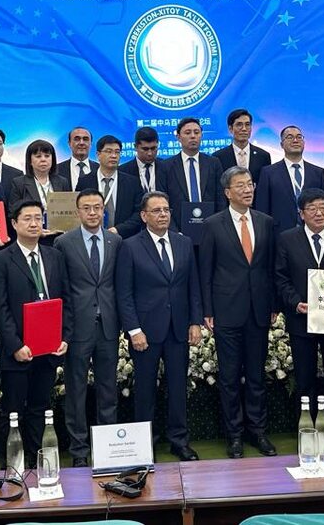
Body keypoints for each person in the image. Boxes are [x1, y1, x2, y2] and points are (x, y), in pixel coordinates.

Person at [116, 191, 203, 461]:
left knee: (178, 388)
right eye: (156, 210)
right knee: (145, 391)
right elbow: (124, 293)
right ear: (144, 216)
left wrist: (195, 321)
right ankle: (145, 444)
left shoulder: (183, 242)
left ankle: (179, 440)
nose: (163, 214)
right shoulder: (130, 246)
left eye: (166, 209)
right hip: (145, 331)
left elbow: (193, 285)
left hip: (178, 328)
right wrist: (134, 330)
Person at [199, 167, 278, 459]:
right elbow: (205, 270)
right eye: (240, 185)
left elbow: (271, 268)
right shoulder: (212, 224)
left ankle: (258, 431)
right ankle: (234, 435)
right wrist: (208, 309)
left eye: (250, 184)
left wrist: (273, 305)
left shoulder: (266, 222)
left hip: (259, 310)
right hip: (226, 310)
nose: (247, 189)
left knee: (257, 375)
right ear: (227, 192)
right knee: (230, 377)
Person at [0, 200, 70, 469]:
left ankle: (37, 464)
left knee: (40, 409)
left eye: (38, 218)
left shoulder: (54, 256)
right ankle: (11, 467)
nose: (34, 223)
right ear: (14, 224)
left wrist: (64, 338)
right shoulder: (0, 260)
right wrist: (15, 345)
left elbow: (66, 300)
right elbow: (0, 308)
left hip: (48, 348)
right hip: (18, 351)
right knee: (13, 412)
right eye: (27, 218)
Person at [53, 190, 122, 467]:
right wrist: (63, 329)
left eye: (97, 207)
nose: (93, 213)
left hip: (108, 326)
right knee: (76, 391)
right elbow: (61, 287)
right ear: (77, 212)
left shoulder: (116, 241)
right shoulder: (63, 242)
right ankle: (79, 451)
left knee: (108, 390)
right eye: (87, 208)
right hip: (77, 327)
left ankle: (108, 450)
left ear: (104, 210)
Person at [276, 189, 324, 433]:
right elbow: (280, 277)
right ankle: (306, 427)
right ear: (301, 214)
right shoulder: (287, 239)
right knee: (304, 376)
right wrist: (295, 302)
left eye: (323, 207)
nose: (319, 213)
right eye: (312, 208)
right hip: (302, 319)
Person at [256, 126, 324, 234]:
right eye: (290, 137)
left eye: (299, 137)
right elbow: (262, 208)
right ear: (281, 144)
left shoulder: (318, 172)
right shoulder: (268, 173)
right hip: (279, 233)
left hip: (313, 232)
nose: (295, 140)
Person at [164, 118, 226, 231]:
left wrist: (218, 228)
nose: (193, 136)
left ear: (201, 135)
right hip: (179, 230)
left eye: (196, 132)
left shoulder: (213, 163)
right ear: (178, 137)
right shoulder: (167, 166)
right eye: (188, 133)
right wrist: (174, 232)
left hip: (211, 227)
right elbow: (164, 201)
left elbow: (221, 198)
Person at [76, 135, 144, 237]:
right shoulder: (85, 181)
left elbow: (139, 213)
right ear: (98, 154)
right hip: (91, 237)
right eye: (109, 151)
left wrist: (118, 230)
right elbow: (78, 210)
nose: (113, 156)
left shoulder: (132, 182)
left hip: (124, 238)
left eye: (117, 152)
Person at [9, 140, 72, 241]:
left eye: (47, 156)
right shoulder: (19, 183)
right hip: (31, 237)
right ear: (30, 161)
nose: (43, 159)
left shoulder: (62, 181)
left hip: (59, 237)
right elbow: (13, 213)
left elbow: (69, 211)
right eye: (38, 156)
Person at [214, 109, 271, 183]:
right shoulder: (218, 157)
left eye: (247, 124)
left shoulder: (263, 156)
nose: (244, 129)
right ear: (230, 129)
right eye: (239, 125)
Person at [119, 126, 169, 194]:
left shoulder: (167, 168)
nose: (150, 153)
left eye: (153, 148)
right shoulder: (123, 171)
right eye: (145, 149)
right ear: (135, 147)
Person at [56, 127, 99, 191]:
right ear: (69, 144)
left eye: (85, 139)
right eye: (77, 139)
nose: (81, 143)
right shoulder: (56, 170)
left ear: (91, 144)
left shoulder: (99, 169)